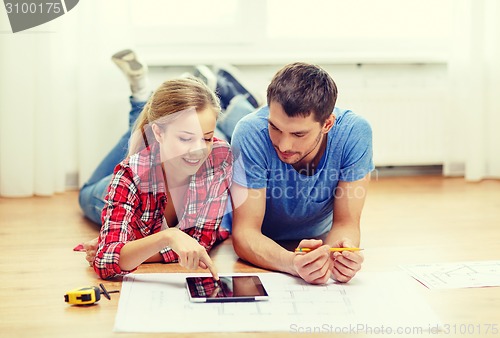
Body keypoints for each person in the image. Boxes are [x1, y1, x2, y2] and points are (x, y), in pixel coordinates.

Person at [78, 49, 234, 280]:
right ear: (158, 133)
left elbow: (202, 241)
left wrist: (132, 249)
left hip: (160, 158)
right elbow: (106, 260)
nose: (199, 149)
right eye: (186, 138)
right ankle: (141, 95)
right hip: (122, 183)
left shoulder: (217, 160)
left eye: (208, 138)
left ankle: (152, 98)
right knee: (85, 195)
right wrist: (167, 237)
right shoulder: (129, 175)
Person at [221, 62, 374, 285]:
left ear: (328, 124)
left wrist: (340, 256)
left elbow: (346, 223)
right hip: (245, 221)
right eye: (275, 127)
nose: (284, 145)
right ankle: (231, 95)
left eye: (299, 134)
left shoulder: (354, 133)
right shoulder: (251, 132)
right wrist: (292, 263)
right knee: (222, 129)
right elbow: (245, 234)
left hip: (312, 233)